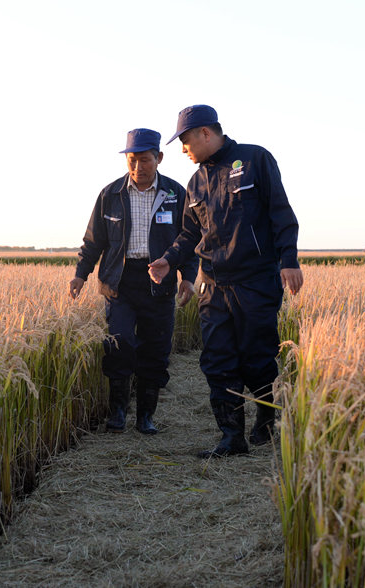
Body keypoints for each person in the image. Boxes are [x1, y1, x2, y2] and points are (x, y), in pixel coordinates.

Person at [148, 105, 303, 458]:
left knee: (257, 358)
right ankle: (231, 437)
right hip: (213, 286)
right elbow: (189, 234)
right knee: (217, 361)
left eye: (185, 141)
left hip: (255, 282)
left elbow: (281, 211)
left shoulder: (255, 159)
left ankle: (266, 416)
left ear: (205, 132)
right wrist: (167, 261)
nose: (183, 150)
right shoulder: (196, 182)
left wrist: (289, 261)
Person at [70, 128, 198, 435]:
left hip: (160, 284)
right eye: (132, 160)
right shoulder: (110, 195)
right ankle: (117, 412)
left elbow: (190, 239)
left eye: (144, 160)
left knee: (155, 351)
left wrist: (188, 278)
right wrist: (80, 274)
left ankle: (145, 416)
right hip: (120, 284)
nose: (138, 167)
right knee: (120, 343)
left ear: (159, 158)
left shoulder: (176, 194)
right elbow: (93, 240)